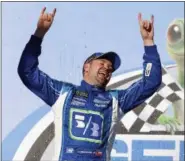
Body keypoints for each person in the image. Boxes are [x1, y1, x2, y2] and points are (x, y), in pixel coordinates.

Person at [18, 7, 162, 161]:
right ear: (86, 67)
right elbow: (27, 71)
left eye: (110, 68)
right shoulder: (63, 93)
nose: (106, 68)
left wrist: (148, 42)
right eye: (102, 63)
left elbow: (151, 82)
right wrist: (39, 34)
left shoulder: (115, 100)